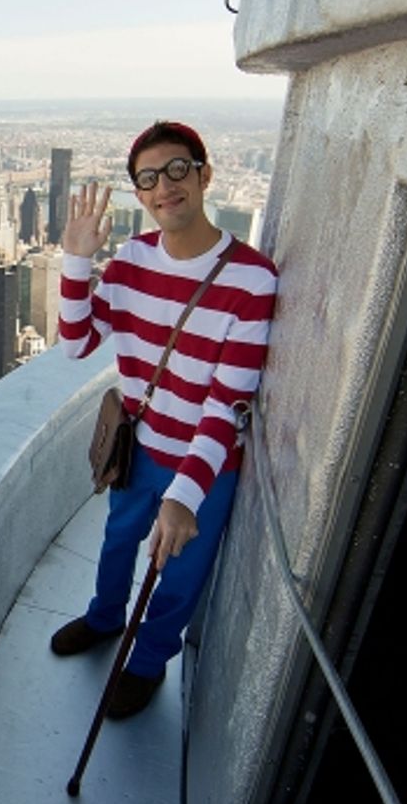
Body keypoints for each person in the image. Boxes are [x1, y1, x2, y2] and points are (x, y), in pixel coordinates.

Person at [48, 120, 278, 718]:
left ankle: (147, 663)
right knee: (119, 539)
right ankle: (104, 619)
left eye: (177, 169)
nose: (163, 187)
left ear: (204, 175)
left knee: (176, 574)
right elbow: (76, 343)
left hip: (204, 464)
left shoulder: (251, 281)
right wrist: (76, 261)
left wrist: (185, 494)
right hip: (141, 444)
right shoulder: (130, 261)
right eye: (147, 179)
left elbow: (229, 403)